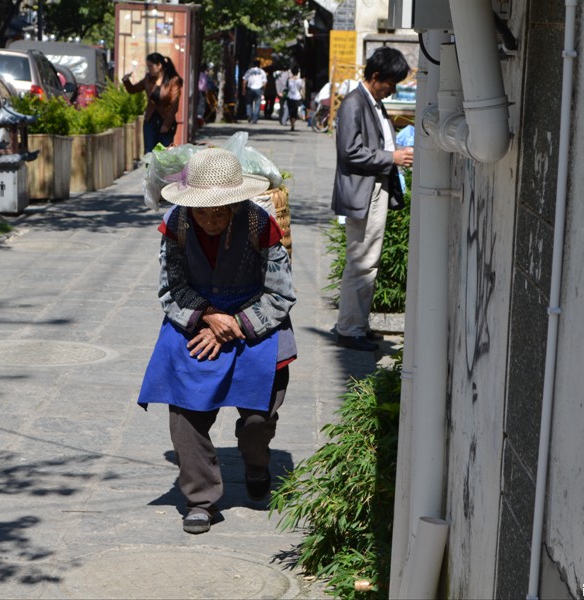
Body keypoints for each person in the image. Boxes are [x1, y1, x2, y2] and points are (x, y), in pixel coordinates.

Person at [137, 148, 297, 534]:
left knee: (260, 415)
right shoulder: (175, 224)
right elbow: (170, 288)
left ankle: (256, 461)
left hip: (256, 321)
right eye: (202, 210)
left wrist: (234, 324)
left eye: (219, 210)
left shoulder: (262, 226)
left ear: (236, 203)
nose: (210, 219)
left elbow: (281, 294)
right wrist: (209, 317)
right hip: (197, 320)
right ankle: (200, 498)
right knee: (184, 415)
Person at [331, 47, 414, 352]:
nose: (394, 89)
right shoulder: (354, 104)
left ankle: (357, 324)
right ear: (376, 76)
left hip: (372, 188)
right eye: (391, 82)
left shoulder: (372, 102)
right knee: (361, 262)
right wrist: (391, 157)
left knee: (368, 261)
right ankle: (350, 328)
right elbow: (349, 151)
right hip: (363, 191)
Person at [123, 52, 183, 153]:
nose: (148, 69)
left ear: (159, 66)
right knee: (149, 152)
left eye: (150, 66)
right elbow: (133, 90)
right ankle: (149, 169)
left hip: (165, 120)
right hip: (150, 120)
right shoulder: (148, 79)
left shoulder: (173, 81)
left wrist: (166, 125)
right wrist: (126, 81)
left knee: (165, 154)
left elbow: (174, 105)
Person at [241, 59, 267, 124]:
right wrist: (263, 90)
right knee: (257, 105)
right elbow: (264, 82)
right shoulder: (262, 72)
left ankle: (249, 114)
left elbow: (244, 81)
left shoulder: (249, 71)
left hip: (250, 89)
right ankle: (255, 118)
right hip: (259, 89)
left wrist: (243, 90)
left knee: (248, 103)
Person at [285, 66, 305, 132]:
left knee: (291, 112)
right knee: (295, 112)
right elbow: (302, 88)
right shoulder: (300, 80)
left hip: (289, 96)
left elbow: (287, 88)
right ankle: (293, 123)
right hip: (297, 97)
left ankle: (292, 124)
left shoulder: (289, 80)